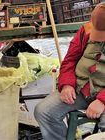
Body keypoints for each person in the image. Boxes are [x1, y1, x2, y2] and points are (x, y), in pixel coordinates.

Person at [34, 2, 105, 140]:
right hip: (82, 88)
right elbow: (69, 61)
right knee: (43, 111)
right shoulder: (87, 30)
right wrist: (67, 84)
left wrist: (102, 101)